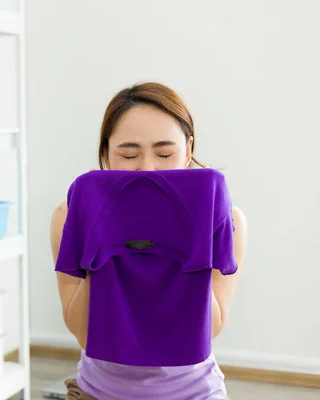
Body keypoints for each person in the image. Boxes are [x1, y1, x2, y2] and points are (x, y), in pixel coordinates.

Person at [50, 82, 248, 400]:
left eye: (165, 153)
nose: (147, 168)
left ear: (188, 152)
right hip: (97, 392)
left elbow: (210, 330)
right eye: (129, 154)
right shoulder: (69, 215)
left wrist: (196, 233)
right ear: (105, 154)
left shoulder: (229, 219)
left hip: (193, 393)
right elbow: (84, 334)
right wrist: (103, 233)